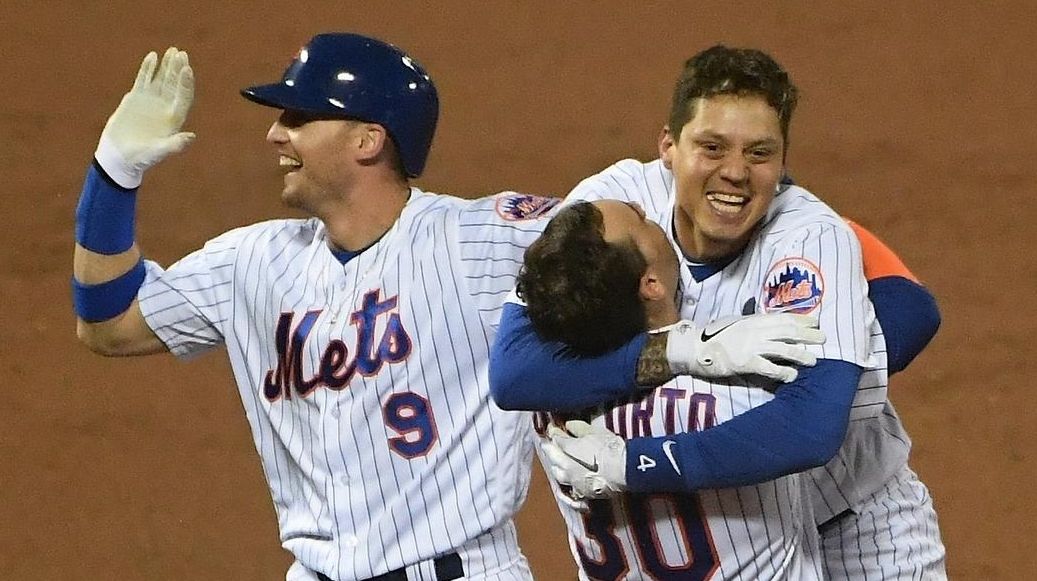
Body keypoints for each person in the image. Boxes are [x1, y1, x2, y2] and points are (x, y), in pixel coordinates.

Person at [71, 34, 826, 581]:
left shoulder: (483, 235)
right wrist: (115, 171)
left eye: (299, 118)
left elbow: (643, 233)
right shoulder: (249, 262)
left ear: (370, 139)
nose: (277, 133)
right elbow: (108, 323)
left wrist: (715, 324)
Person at [490, 46, 946, 579]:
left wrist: (634, 462)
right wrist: (684, 352)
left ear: (783, 161)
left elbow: (828, 408)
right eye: (711, 146)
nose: (734, 172)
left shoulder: (805, 235)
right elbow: (514, 370)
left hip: (854, 519)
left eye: (759, 153)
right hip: (726, 518)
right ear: (669, 146)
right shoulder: (615, 202)